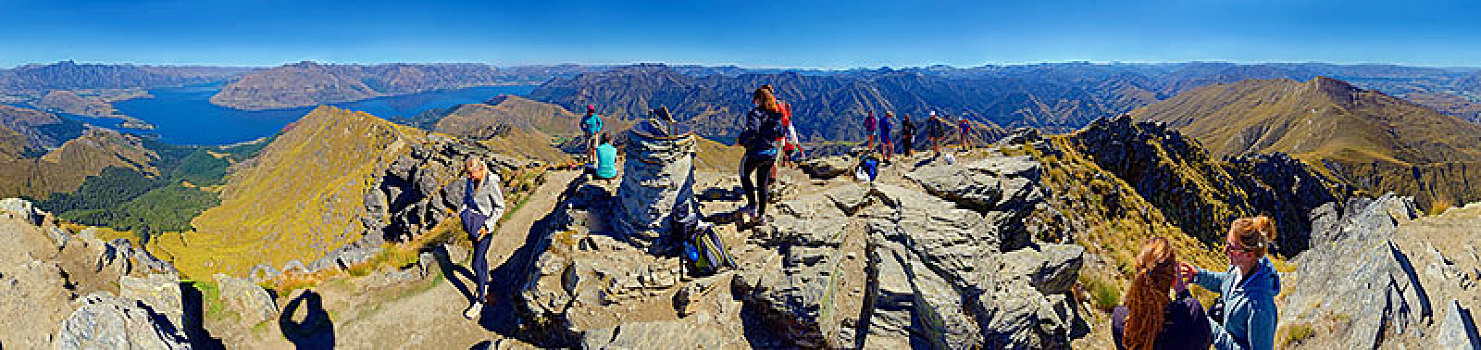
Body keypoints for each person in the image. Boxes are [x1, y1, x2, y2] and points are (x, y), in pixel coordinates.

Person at [1179, 216, 1282, 350]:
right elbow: (1226, 282)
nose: (1225, 250)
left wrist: (1212, 329)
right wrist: (1198, 276)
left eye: (1232, 248)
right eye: (1227, 243)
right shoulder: (1240, 267)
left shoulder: (1260, 305)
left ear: (1249, 255)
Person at [1112, 237, 1212, 350]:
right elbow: (1204, 341)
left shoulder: (1120, 319)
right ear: (1173, 277)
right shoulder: (1190, 316)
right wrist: (1183, 293)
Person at [458, 156, 506, 320]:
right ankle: (484, 283)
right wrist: (463, 213)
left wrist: (487, 226)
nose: (469, 177)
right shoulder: (470, 181)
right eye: (467, 174)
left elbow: (500, 207)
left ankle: (479, 300)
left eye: (471, 174)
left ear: (480, 169)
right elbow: (466, 199)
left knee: (476, 263)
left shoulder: (491, 183)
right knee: (481, 257)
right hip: (472, 224)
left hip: (484, 228)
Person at [737, 86, 786, 225]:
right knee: (762, 183)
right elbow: (781, 132)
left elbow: (753, 130)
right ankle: (761, 215)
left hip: (756, 153)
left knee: (744, 174)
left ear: (758, 100)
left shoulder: (756, 113)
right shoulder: (777, 114)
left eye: (755, 99)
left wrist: (741, 141)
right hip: (770, 154)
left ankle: (752, 206)